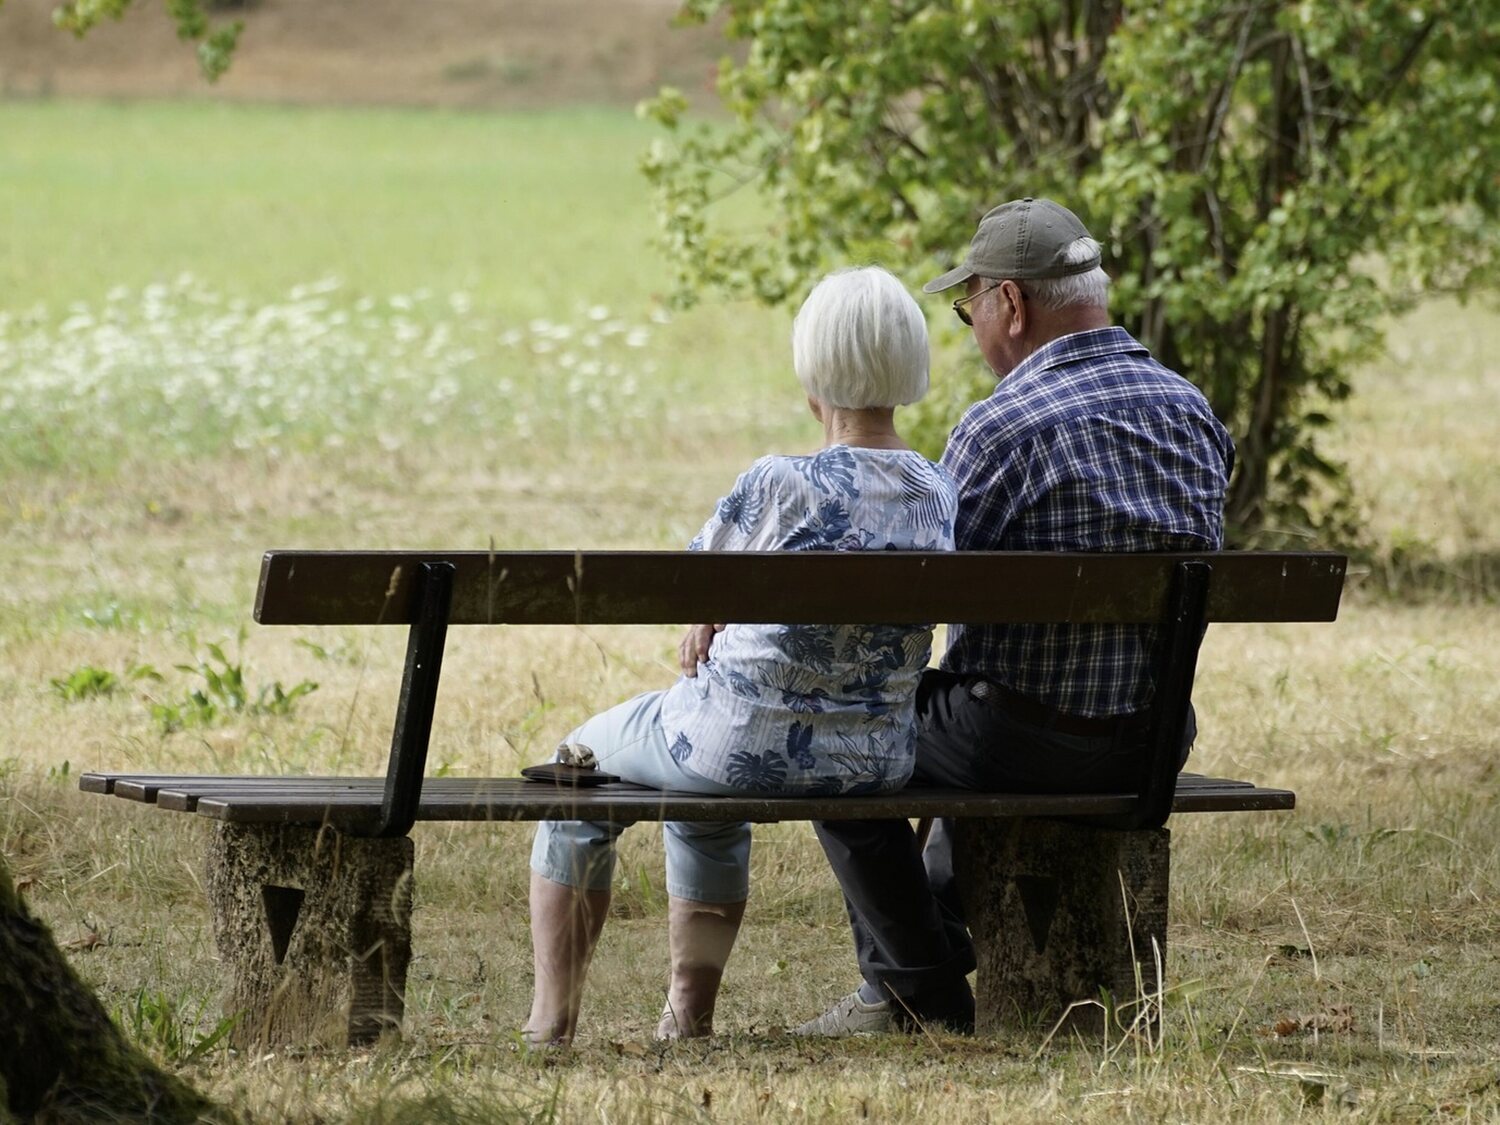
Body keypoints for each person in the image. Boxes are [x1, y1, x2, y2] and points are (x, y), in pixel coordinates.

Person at [795, 198, 1236, 1036]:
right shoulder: (1194, 413)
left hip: (1021, 743)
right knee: (975, 700)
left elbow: (924, 599)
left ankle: (916, 988)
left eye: (969, 312)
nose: (973, 330)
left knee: (837, 731)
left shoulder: (999, 429)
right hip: (1152, 740)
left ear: (1010, 303)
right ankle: (933, 940)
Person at [522, 266, 958, 1047]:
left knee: (574, 769)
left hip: (735, 746)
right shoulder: (937, 491)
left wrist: (707, 615)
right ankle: (687, 1016)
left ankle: (550, 1021)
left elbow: (690, 580)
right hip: (872, 759)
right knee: (698, 792)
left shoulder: (778, 483)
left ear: (812, 372)